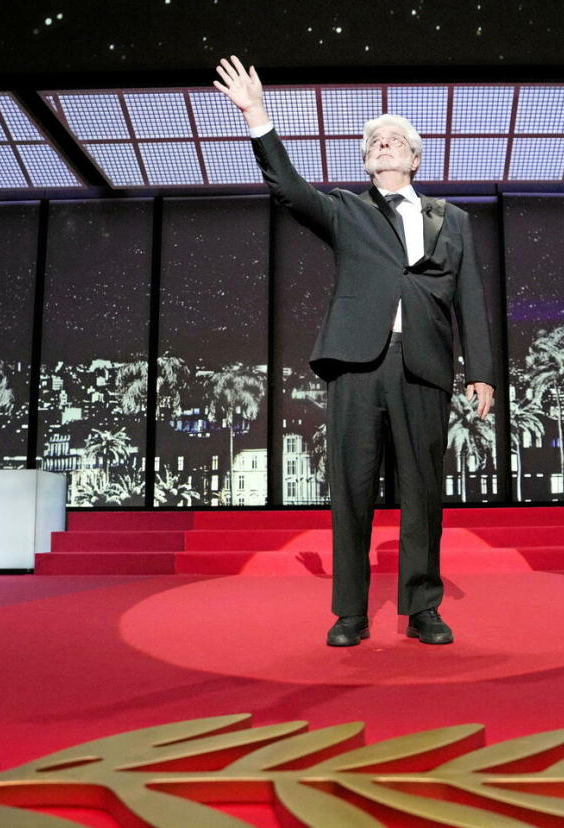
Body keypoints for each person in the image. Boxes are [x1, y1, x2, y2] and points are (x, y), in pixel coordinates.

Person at [213, 56, 496, 647]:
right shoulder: (346, 210)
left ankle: (422, 609)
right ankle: (350, 613)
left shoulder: (456, 221)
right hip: (356, 365)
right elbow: (288, 190)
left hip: (425, 364)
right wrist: (257, 116)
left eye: (395, 141)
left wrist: (483, 373)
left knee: (422, 492)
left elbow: (470, 299)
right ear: (366, 159)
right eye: (374, 141)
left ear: (416, 158)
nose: (383, 145)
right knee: (353, 489)